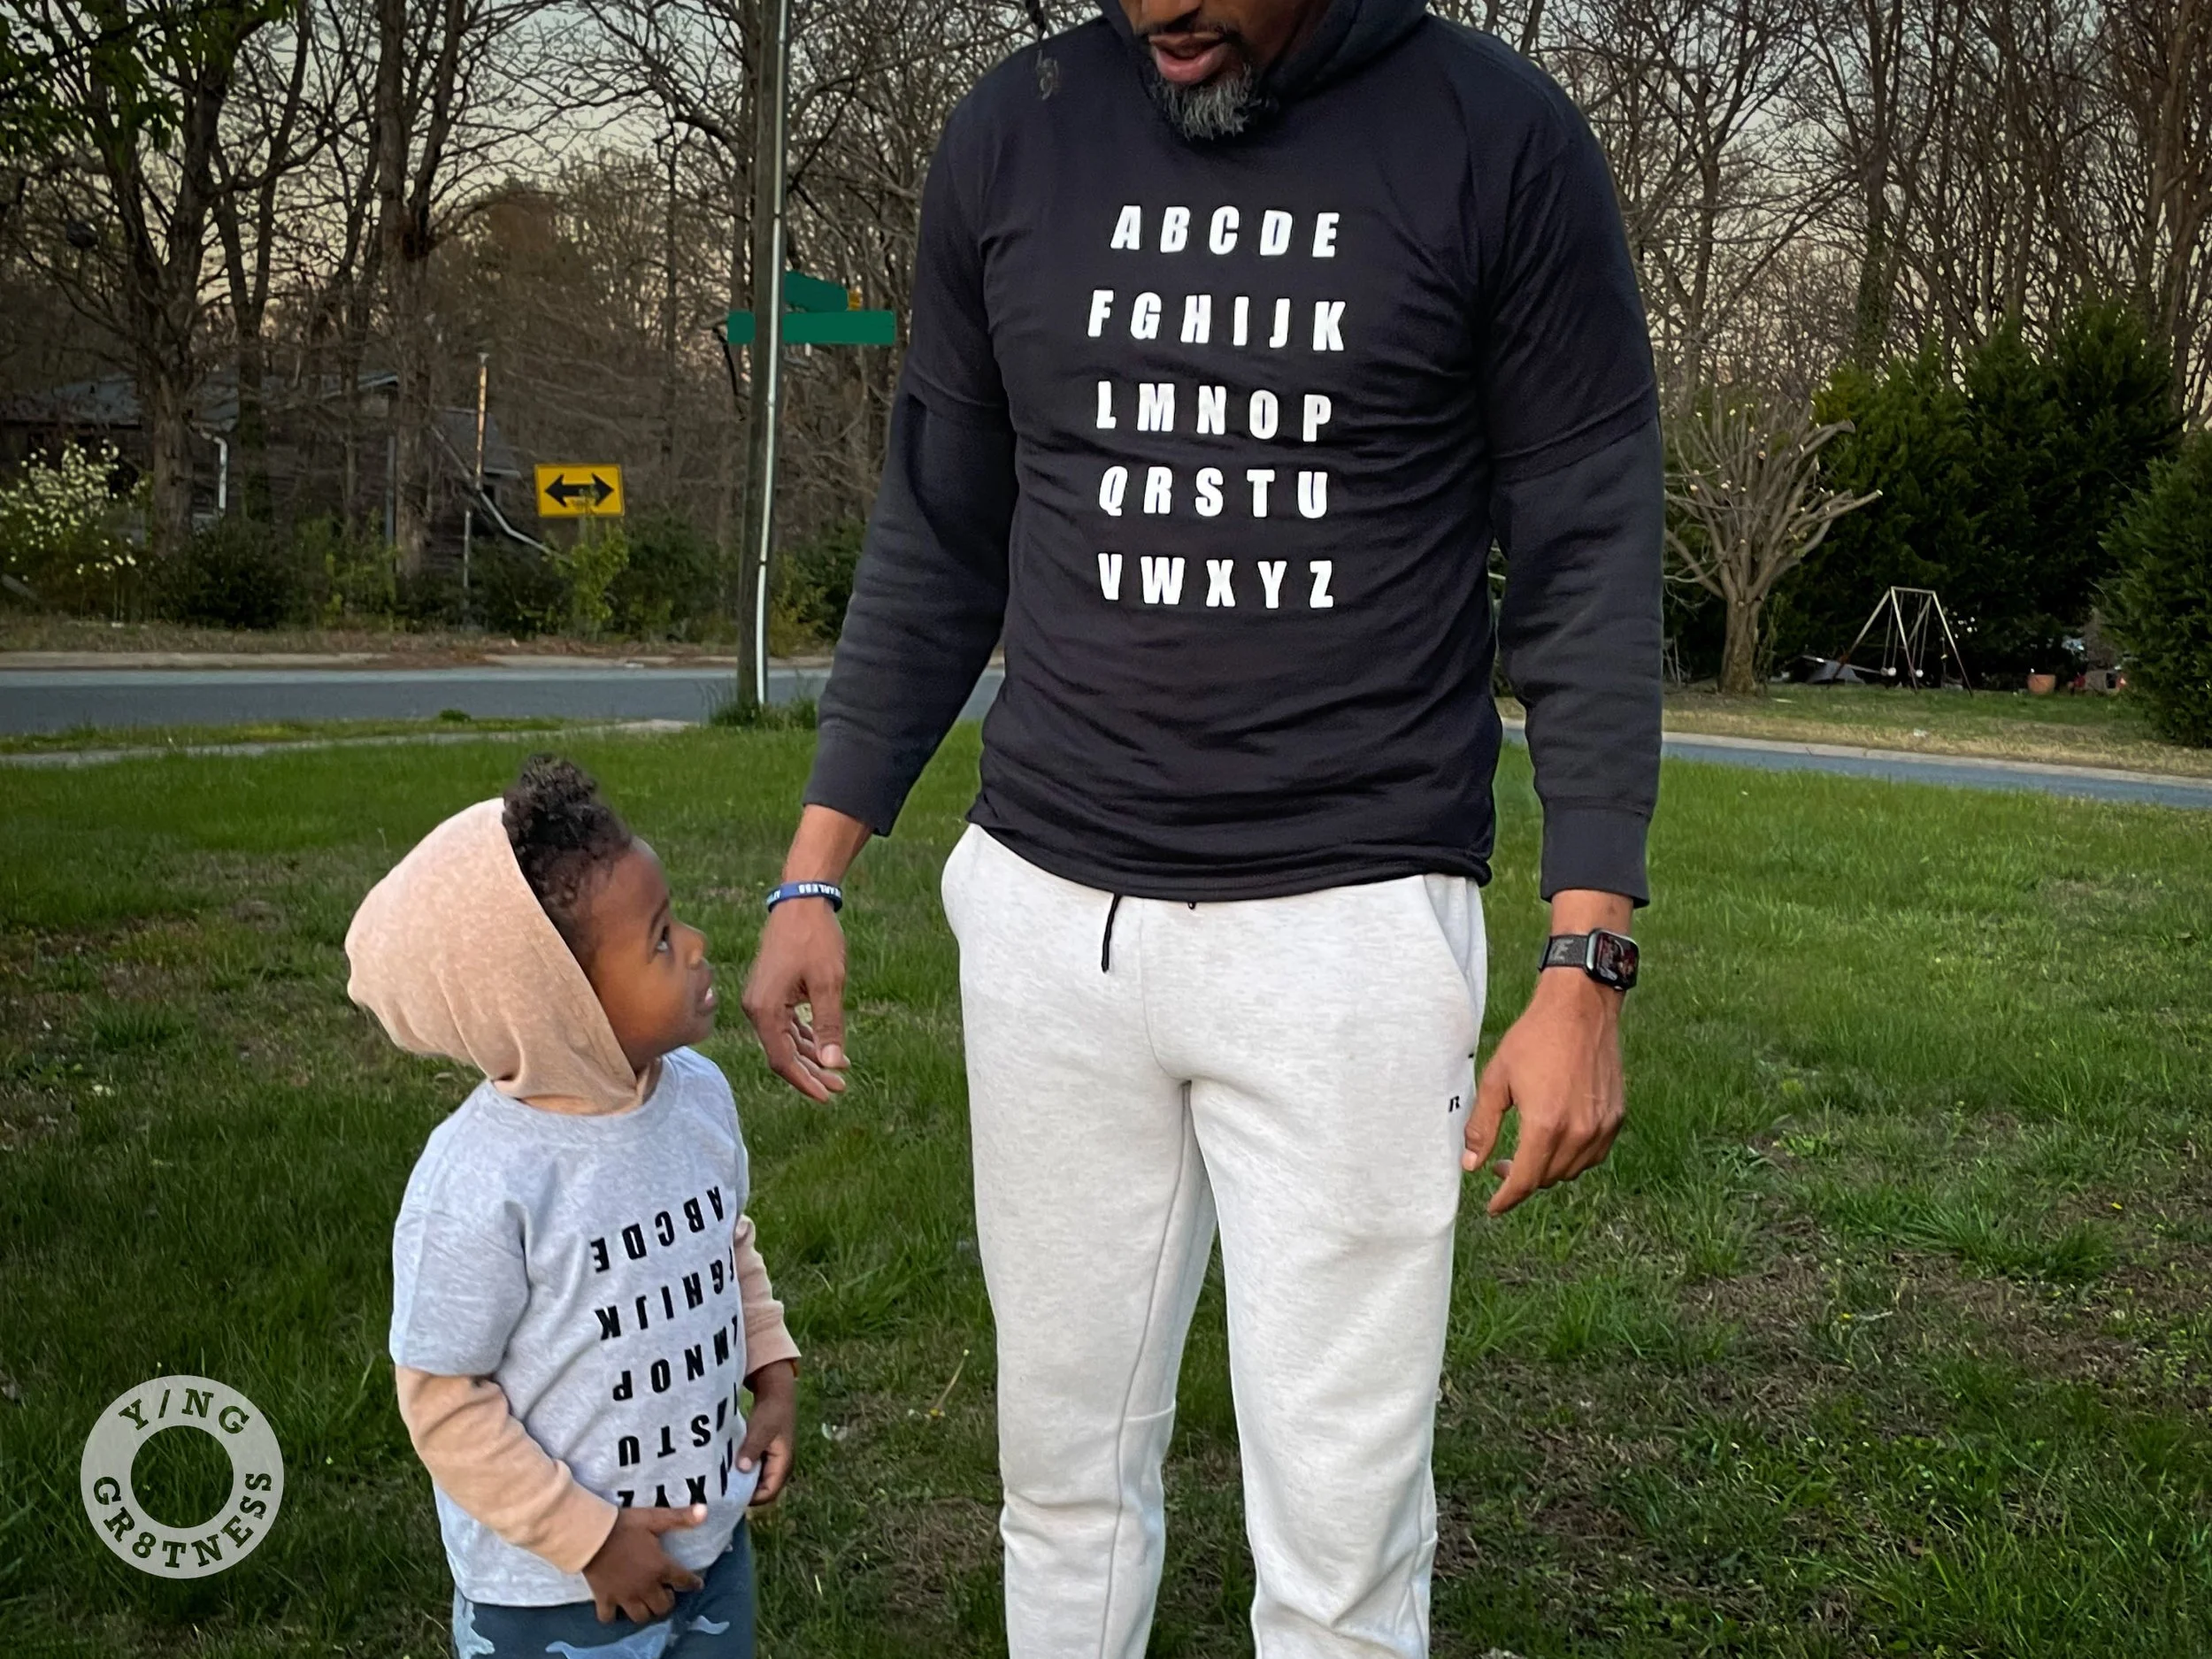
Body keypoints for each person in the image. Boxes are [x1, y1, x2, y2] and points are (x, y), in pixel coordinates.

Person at [741, 0, 1662, 1652]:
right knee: (1061, 1479)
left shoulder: (1497, 139)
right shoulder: (1015, 127)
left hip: (1349, 926)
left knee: (1342, 1531)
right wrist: (814, 872)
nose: (1162, 8)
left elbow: (1588, 550)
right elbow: (939, 527)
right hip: (1049, 918)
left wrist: (1585, 955)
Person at [349, 757, 801, 1658]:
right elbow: (444, 1399)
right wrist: (591, 1541)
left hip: (709, 1555)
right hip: (555, 1598)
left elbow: (725, 1245)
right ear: (561, 1007)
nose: (697, 944)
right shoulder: (482, 1182)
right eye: (661, 940)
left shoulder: (698, 1098)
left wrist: (773, 1372)